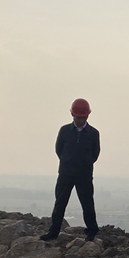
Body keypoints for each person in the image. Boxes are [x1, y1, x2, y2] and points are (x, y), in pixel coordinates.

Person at [41, 99, 100, 242]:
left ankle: (91, 232)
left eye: (83, 117)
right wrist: (67, 161)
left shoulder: (93, 133)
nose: (80, 120)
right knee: (60, 203)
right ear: (72, 115)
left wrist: (85, 163)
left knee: (87, 203)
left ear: (88, 116)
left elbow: (95, 153)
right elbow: (59, 149)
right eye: (78, 117)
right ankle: (53, 231)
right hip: (66, 173)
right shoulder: (64, 130)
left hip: (84, 174)